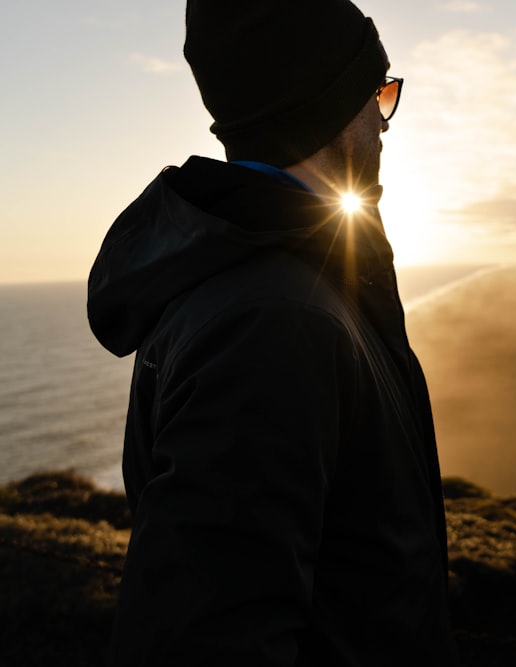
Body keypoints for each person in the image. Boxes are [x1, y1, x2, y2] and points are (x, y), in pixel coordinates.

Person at [86, 1, 459, 664]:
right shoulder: (274, 325)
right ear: (324, 109)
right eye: (378, 92)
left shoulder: (266, 285)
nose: (385, 120)